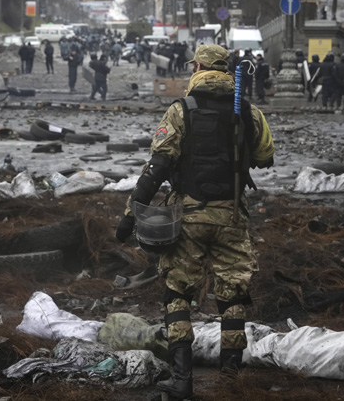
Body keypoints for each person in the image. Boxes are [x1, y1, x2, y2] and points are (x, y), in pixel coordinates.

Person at [115, 44, 274, 400]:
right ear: (225, 69)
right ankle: (231, 379)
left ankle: (181, 381)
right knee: (232, 295)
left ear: (198, 67)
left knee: (178, 294)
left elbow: (156, 167)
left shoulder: (180, 110)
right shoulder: (247, 111)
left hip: (187, 217)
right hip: (231, 215)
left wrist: (131, 214)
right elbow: (266, 157)